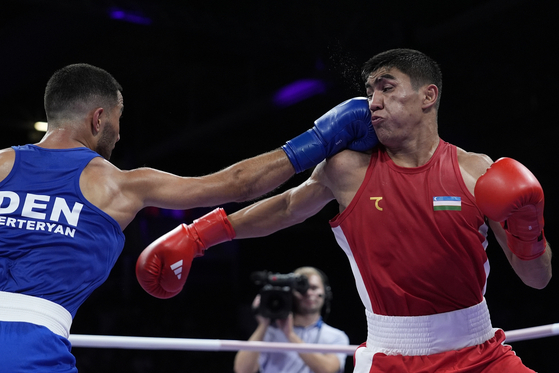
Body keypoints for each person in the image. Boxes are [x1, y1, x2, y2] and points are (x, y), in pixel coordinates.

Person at [138, 49, 552, 372]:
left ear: (429, 95)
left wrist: (529, 229)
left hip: (480, 354)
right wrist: (198, 236)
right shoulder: (347, 169)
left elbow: (537, 278)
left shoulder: (476, 171)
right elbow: (285, 207)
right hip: (391, 358)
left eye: (387, 88)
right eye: (370, 90)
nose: (373, 101)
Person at [0, 63, 377, 372]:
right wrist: (322, 138)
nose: (117, 135)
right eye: (117, 120)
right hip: (30, 349)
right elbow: (238, 184)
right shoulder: (119, 184)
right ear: (98, 119)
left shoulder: (2, 163)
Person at [233, 266, 349, 373]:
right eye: (301, 290)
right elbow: (242, 370)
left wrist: (290, 335)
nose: (308, 293)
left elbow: (328, 370)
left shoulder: (336, 336)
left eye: (314, 288)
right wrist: (263, 325)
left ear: (325, 292)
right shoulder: (269, 334)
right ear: (291, 294)